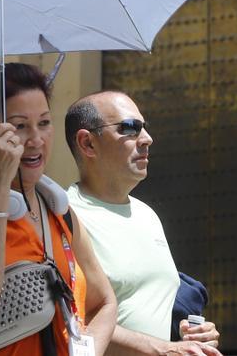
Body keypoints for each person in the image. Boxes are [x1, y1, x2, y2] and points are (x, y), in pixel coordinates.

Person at [0, 63, 117, 355]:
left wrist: (87, 351)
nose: (36, 140)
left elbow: (104, 301)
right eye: (19, 126)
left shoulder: (60, 211)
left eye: (44, 123)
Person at [64, 91, 222, 356]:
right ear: (88, 143)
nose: (147, 139)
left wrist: (191, 333)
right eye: (129, 128)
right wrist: (164, 349)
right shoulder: (66, 217)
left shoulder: (146, 214)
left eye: (144, 128)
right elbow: (75, 322)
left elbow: (150, 306)